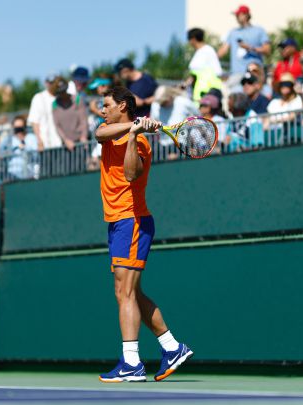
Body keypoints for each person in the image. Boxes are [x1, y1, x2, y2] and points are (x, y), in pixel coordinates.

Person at [94, 86, 193, 383]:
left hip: (132, 221)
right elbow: (99, 134)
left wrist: (135, 136)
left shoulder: (142, 145)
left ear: (122, 105)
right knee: (131, 293)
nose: (102, 110)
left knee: (123, 293)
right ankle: (172, 348)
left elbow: (130, 175)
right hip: (117, 222)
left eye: (107, 105)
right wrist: (135, 126)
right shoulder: (108, 130)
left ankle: (132, 364)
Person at [217, 5, 271, 91]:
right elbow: (223, 49)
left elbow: (267, 50)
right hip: (237, 74)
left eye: (239, 14)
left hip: (254, 74)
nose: (236, 17)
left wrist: (250, 48)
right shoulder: (233, 32)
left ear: (246, 15)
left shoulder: (259, 30)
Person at [28, 75, 65, 151]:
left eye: (54, 82)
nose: (52, 85)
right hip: (45, 146)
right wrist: (39, 141)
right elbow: (34, 121)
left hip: (61, 144)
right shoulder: (38, 98)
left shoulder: (61, 97)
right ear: (46, 83)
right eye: (50, 83)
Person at [53, 83, 89, 151]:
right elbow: (57, 125)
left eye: (63, 91)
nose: (62, 94)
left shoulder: (77, 99)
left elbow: (83, 120)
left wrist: (84, 136)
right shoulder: (55, 104)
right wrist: (65, 140)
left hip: (80, 142)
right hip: (66, 145)